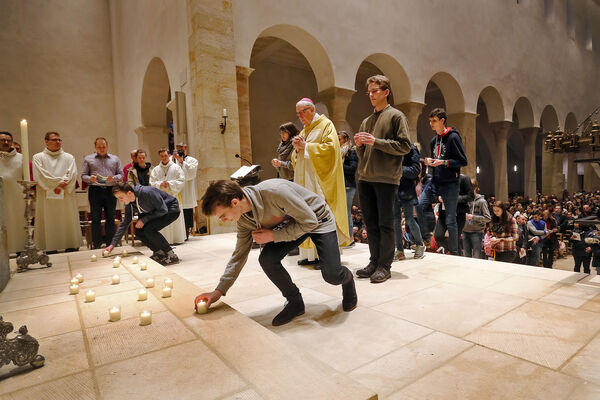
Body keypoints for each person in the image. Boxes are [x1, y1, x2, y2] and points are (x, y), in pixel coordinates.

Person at [194, 179, 357, 326]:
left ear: (235, 202)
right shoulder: (244, 220)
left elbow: (309, 221)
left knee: (332, 275)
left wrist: (273, 235)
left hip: (317, 220)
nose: (222, 221)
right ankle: (295, 302)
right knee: (267, 259)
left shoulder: (275, 192)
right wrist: (218, 292)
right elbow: (239, 256)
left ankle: (347, 280)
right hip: (291, 226)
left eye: (222, 215)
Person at [354, 75, 412, 283]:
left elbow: (405, 146)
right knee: (370, 224)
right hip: (366, 177)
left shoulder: (396, 116)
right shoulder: (366, 121)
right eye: (369, 91)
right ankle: (374, 261)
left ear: (386, 92)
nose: (371, 95)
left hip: (386, 178)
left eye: (375, 90)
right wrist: (360, 147)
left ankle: (385, 266)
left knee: (385, 223)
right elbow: (363, 154)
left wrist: (376, 141)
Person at [292, 98, 349, 267]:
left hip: (319, 182)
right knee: (306, 215)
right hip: (305, 182)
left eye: (302, 112)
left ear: (311, 110)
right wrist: (296, 149)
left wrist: (307, 146)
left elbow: (332, 150)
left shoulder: (326, 125)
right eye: (298, 113)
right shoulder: (304, 131)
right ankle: (311, 255)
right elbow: (296, 159)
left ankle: (326, 257)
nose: (300, 116)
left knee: (321, 216)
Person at [417, 108, 468, 256]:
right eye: (430, 121)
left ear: (442, 121)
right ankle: (427, 237)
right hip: (435, 181)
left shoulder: (453, 138)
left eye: (434, 121)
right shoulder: (434, 141)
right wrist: (429, 162)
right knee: (419, 204)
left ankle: (455, 251)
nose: (431, 124)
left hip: (451, 182)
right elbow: (436, 161)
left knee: (451, 218)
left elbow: (462, 161)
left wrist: (443, 162)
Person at [32, 131, 83, 252]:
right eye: (55, 140)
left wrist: (62, 183)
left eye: (59, 140)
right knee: (49, 218)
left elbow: (72, 173)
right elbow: (40, 175)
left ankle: (70, 244)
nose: (58, 142)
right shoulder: (38, 157)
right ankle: (50, 246)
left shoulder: (69, 157)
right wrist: (58, 183)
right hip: (47, 197)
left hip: (65, 194)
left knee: (67, 217)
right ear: (46, 141)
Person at [106, 183, 180, 265]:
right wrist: (112, 244)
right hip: (156, 212)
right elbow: (125, 223)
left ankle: (171, 255)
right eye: (118, 198)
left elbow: (163, 210)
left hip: (171, 209)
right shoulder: (129, 204)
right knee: (139, 231)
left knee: (150, 229)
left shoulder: (147, 192)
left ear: (129, 193)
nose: (120, 200)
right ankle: (159, 253)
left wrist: (144, 220)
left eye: (121, 197)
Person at [81, 137, 123, 249]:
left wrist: (113, 178)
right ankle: (97, 244)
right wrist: (91, 178)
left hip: (111, 190)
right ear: (95, 147)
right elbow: (83, 176)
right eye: (99, 147)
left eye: (104, 146)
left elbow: (121, 175)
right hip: (95, 190)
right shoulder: (88, 159)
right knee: (95, 218)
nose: (102, 148)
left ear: (107, 146)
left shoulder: (115, 159)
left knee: (110, 217)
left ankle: (110, 243)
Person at [394, 143, 425, 260]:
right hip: (393, 188)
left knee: (409, 220)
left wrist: (398, 169)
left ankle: (420, 244)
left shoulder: (411, 149)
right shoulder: (392, 146)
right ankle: (400, 250)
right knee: (395, 221)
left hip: (406, 189)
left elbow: (415, 170)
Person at [150, 148, 186, 244]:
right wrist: (160, 184)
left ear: (169, 155)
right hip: (161, 198)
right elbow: (152, 183)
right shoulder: (156, 169)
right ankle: (165, 240)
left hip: (173, 196)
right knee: (163, 218)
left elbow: (181, 181)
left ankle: (177, 239)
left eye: (165, 155)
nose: (164, 158)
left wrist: (170, 184)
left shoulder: (176, 167)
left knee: (174, 217)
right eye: (162, 156)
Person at [434, 174, 474, 254]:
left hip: (458, 215)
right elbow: (435, 193)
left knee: (454, 240)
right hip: (443, 214)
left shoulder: (464, 178)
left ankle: (455, 255)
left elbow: (471, 196)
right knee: (438, 236)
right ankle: (454, 251)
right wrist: (438, 198)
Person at [0, 131, 26, 254]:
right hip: (1, 196)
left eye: (8, 140)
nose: (5, 142)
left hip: (17, 197)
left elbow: (26, 178)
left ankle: (20, 249)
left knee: (17, 223)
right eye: (2, 140)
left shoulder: (21, 158)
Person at [172, 143, 198, 240]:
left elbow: (190, 175)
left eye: (182, 149)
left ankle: (186, 232)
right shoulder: (172, 159)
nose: (180, 151)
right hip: (175, 190)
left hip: (186, 190)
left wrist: (182, 162)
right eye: (178, 149)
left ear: (185, 149)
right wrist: (173, 159)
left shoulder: (192, 160)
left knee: (187, 212)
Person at [462, 179, 490, 258]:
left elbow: (488, 218)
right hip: (464, 231)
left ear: (475, 188)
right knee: (466, 256)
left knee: (477, 257)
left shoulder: (482, 201)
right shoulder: (464, 200)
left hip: (477, 232)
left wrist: (473, 217)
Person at [338, 131, 358, 246]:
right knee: (341, 212)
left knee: (346, 212)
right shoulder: (338, 153)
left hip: (348, 185)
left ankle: (350, 239)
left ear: (345, 139)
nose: (338, 141)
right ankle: (343, 238)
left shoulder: (351, 152)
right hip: (339, 185)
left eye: (339, 139)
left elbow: (352, 168)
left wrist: (339, 164)